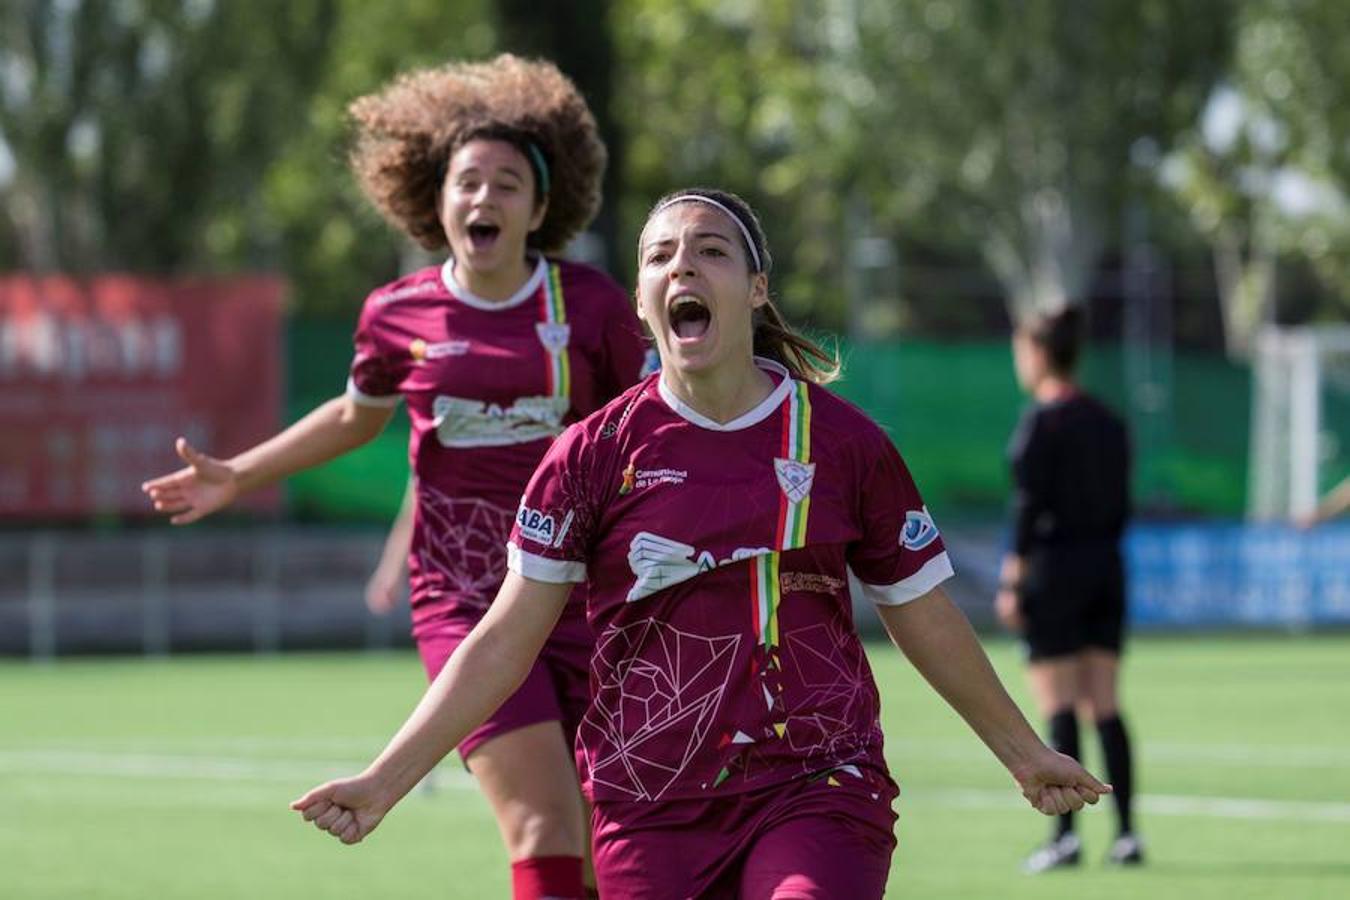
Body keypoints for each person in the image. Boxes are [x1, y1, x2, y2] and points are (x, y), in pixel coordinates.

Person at [291, 187, 1111, 898]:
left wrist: (1023, 752)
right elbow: (505, 638)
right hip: (647, 801)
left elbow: (922, 613)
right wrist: (384, 780)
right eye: (660, 257)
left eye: (710, 251)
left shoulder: (846, 444)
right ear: (642, 301)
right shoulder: (590, 454)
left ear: (756, 289)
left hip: (816, 781)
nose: (682, 267)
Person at [142, 55, 648, 900]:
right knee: (542, 827)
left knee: (611, 841)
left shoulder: (587, 306)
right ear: (436, 199)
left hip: (587, 596)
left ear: (540, 208)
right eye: (468, 182)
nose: (484, 198)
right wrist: (237, 473)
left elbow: (645, 429)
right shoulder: (397, 313)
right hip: (463, 599)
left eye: (508, 185)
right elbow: (353, 417)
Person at [995, 306, 1142, 872]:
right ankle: (1128, 834)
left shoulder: (1042, 422)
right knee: (1104, 703)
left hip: (1055, 571)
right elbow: (1122, 505)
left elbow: (1029, 508)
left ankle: (1066, 838)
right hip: (1106, 567)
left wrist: (1014, 578)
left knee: (1058, 706)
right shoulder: (1109, 421)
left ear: (1036, 352)